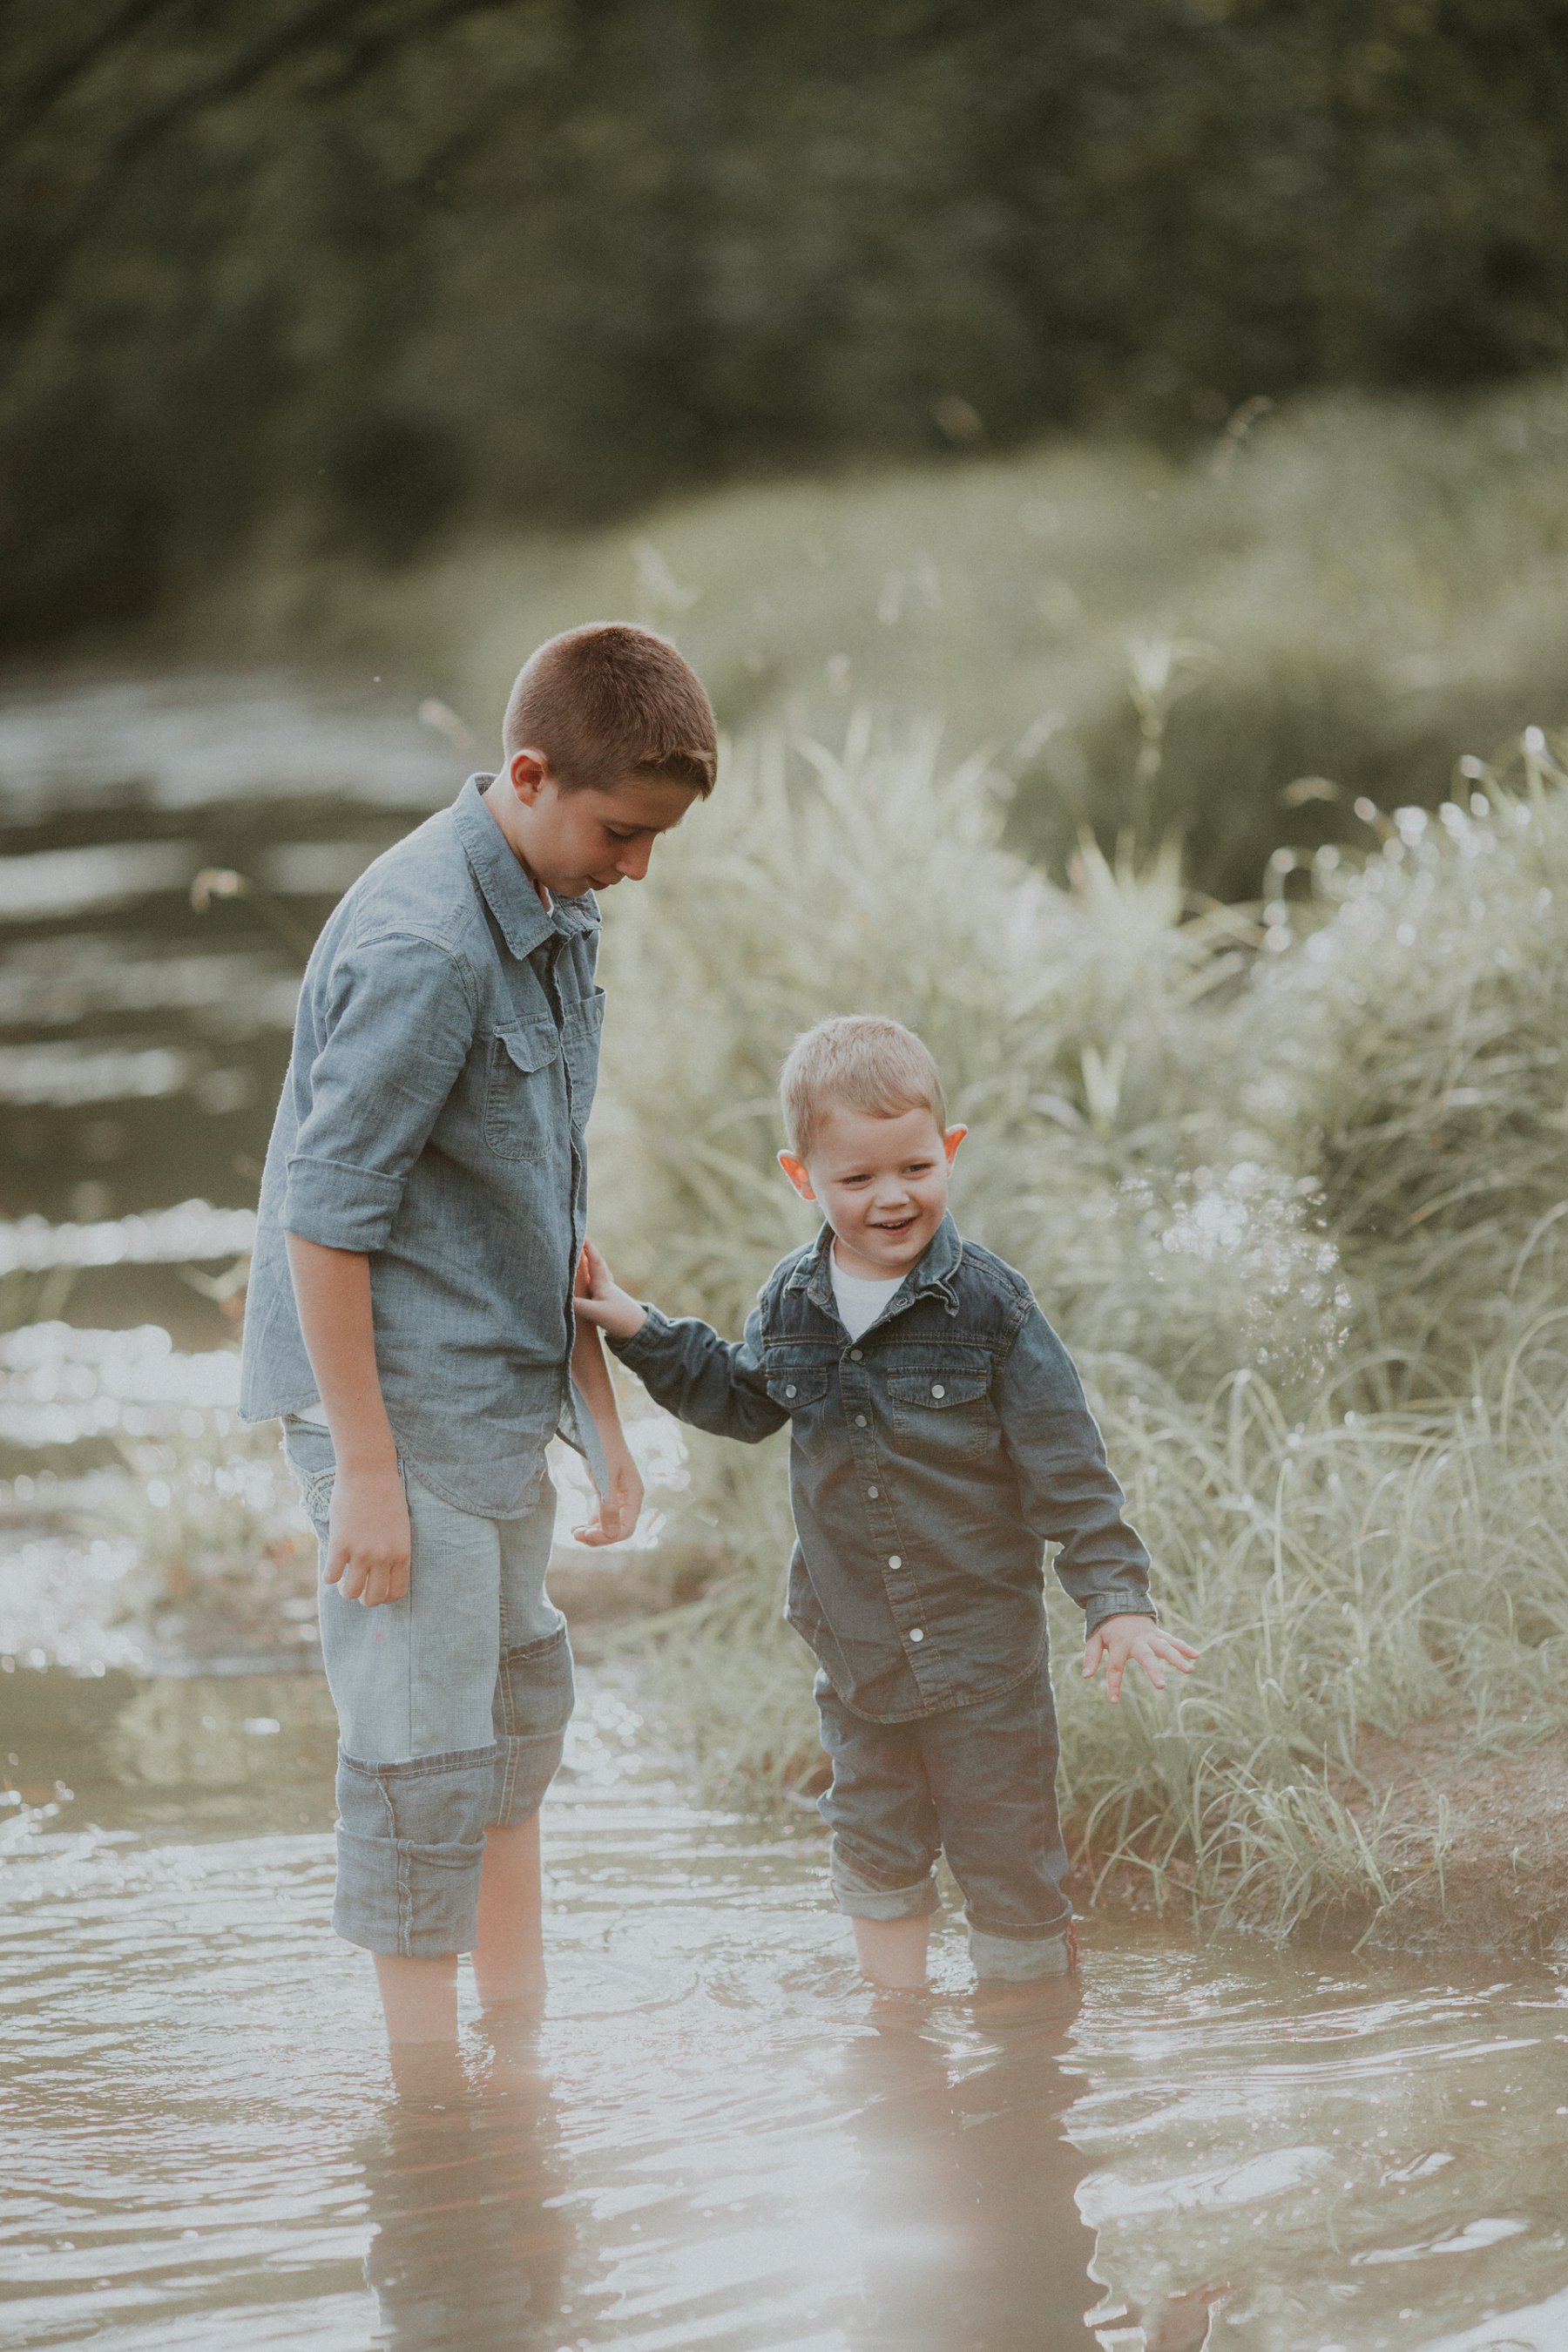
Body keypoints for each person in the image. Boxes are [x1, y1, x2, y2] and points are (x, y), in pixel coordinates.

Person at [240, 622, 717, 2047]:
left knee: (508, 1743)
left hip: (497, 1415)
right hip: (395, 1421)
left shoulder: (553, 907)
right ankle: (430, 2115)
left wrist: (606, 1427)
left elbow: (541, 1196)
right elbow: (321, 1225)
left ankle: (521, 2057)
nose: (637, 868)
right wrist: (369, 1479)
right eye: (623, 832)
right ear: (527, 772)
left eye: (656, 842)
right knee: (418, 1770)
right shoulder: (428, 945)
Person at [575, 1013, 1197, 1991]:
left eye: (913, 1167)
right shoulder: (792, 1301)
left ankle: (1028, 2052)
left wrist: (1116, 1599)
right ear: (803, 1180)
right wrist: (642, 1330)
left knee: (1006, 1849)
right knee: (874, 1841)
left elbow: (1066, 1466)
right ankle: (896, 2037)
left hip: (982, 1649)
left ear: (948, 1152)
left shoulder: (992, 1308)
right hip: (855, 1645)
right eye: (855, 1180)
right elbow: (744, 1399)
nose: (891, 1198)